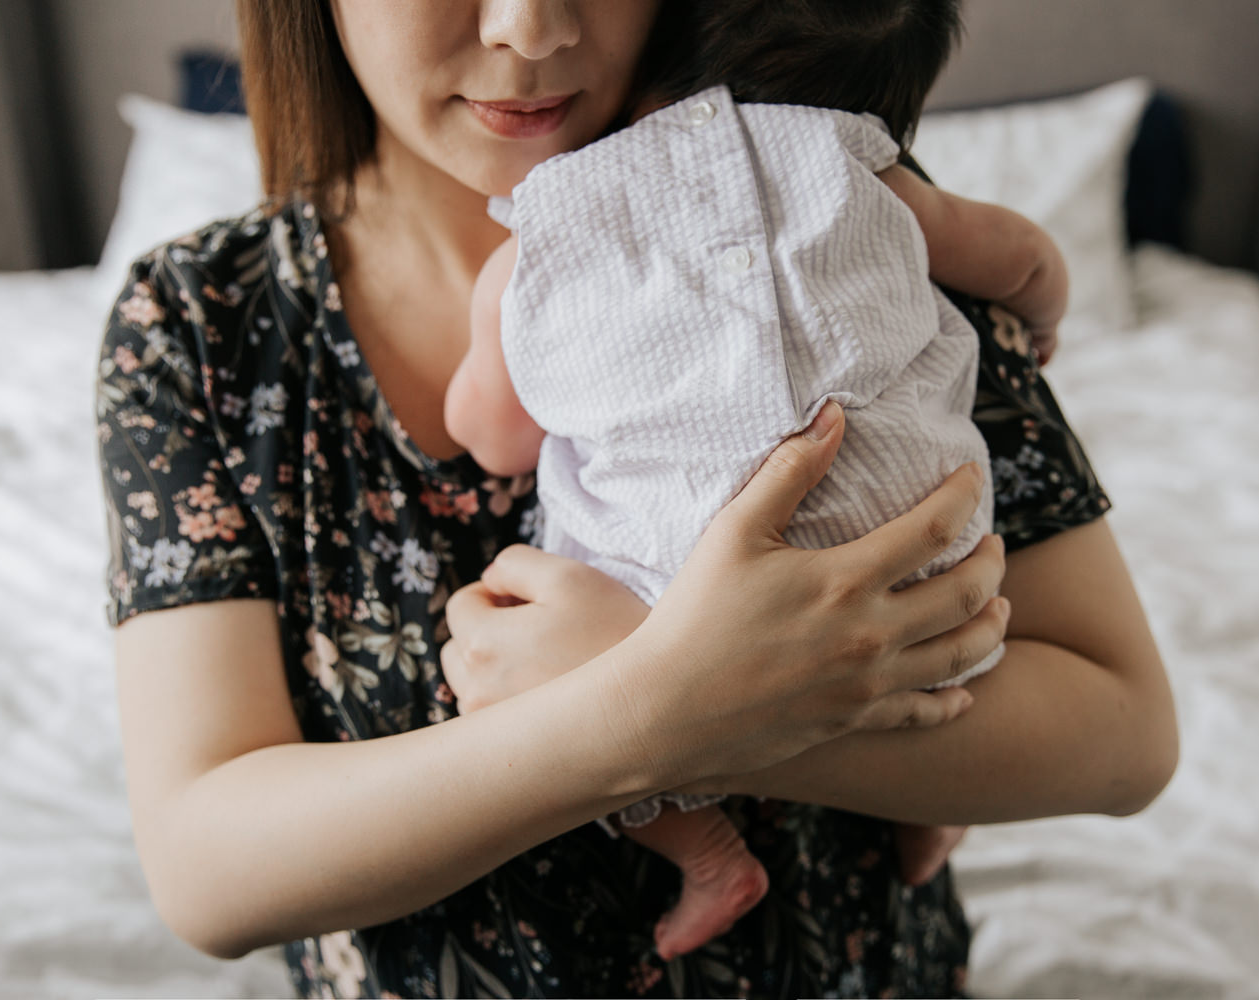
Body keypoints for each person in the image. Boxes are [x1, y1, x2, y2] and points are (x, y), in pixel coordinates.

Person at [95, 1, 1177, 996]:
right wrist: (646, 708)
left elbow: (1123, 732)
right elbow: (208, 872)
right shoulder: (201, 325)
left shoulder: (841, 192)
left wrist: (720, 697)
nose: (528, 27)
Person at [441, 0, 1069, 962]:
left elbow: (497, 440)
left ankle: (709, 855)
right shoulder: (878, 178)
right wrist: (1046, 314)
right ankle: (927, 815)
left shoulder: (545, 233)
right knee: (938, 637)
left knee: (554, 678)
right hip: (910, 555)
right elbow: (1024, 256)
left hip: (667, 597)